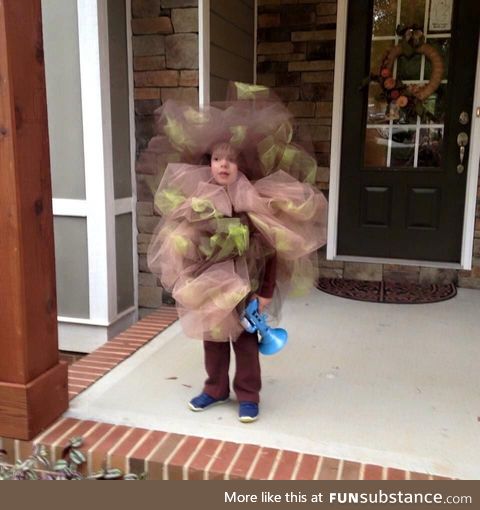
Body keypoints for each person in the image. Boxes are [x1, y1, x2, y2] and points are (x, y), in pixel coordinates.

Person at [145, 82, 328, 423]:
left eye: (231, 160)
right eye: (217, 159)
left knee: (245, 339)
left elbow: (273, 247)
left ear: (243, 165)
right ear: (208, 163)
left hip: (247, 284)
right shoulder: (197, 197)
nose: (223, 166)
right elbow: (184, 238)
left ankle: (248, 393)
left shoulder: (254, 201)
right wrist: (189, 271)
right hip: (209, 281)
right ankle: (215, 388)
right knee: (213, 336)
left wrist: (265, 292)